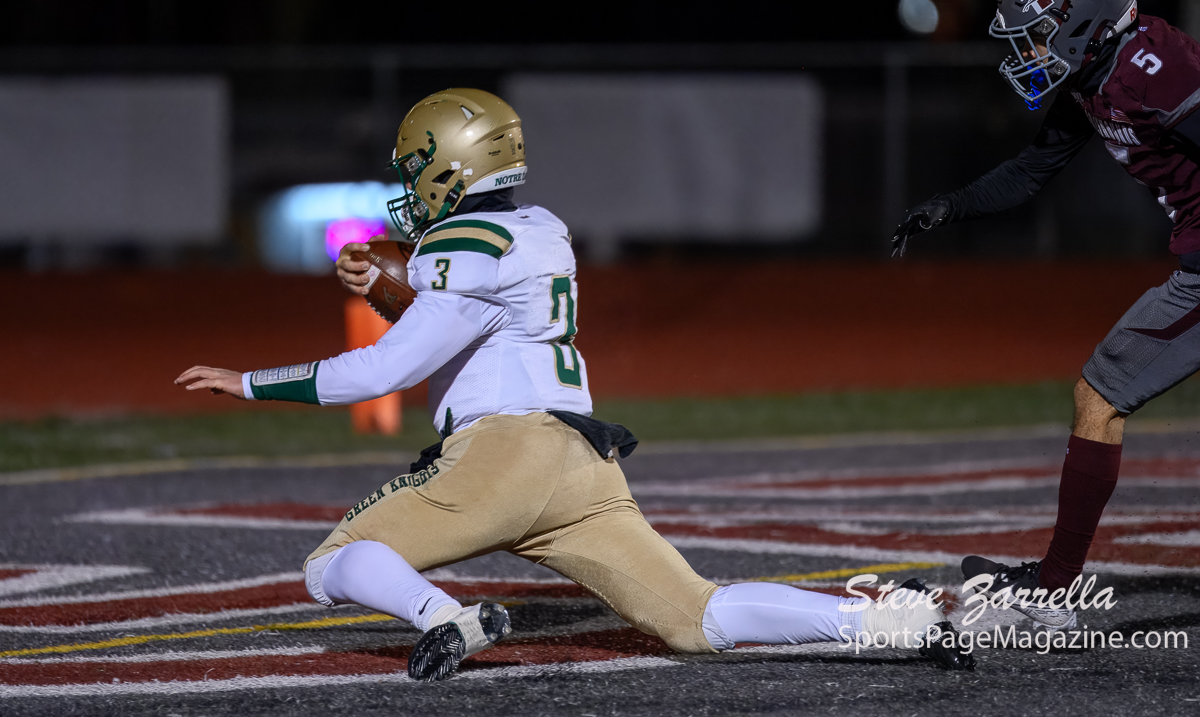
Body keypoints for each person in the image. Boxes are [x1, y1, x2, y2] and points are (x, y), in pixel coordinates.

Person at [179, 88, 969, 680]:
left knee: (333, 561)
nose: (411, 187)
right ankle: (896, 623)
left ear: (451, 169)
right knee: (695, 617)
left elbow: (384, 370)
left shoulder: (458, 246)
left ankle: (448, 618)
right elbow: (476, 318)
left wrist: (249, 382)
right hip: (579, 461)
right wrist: (398, 288)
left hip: (500, 455)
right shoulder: (539, 229)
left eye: (418, 170)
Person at [892, 0, 1200, 631]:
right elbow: (1032, 170)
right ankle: (1056, 588)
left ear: (1082, 19)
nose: (1029, 48)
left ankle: (1055, 595)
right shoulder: (1098, 74)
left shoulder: (1157, 68)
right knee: (1100, 394)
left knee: (1101, 393)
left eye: (1037, 30)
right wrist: (951, 206)